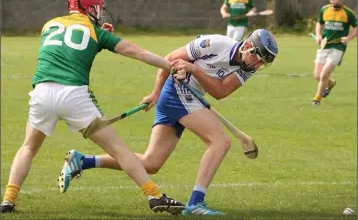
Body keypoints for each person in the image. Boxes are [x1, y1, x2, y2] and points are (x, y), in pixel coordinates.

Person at [0, 0, 186, 214]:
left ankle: (8, 200)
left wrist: (97, 34)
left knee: (28, 147)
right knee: (117, 148)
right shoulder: (97, 33)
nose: (100, 11)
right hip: (74, 96)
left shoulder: (49, 25)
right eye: (97, 7)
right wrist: (171, 66)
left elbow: (71, 44)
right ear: (89, 8)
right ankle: (154, 195)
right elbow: (137, 52)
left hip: (42, 92)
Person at [58, 29, 278, 215]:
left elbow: (220, 92)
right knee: (220, 142)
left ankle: (82, 161)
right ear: (247, 45)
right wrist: (155, 93)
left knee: (150, 164)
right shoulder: (215, 43)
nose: (257, 64)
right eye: (257, 57)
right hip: (176, 93)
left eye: (263, 62)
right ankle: (195, 203)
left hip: (190, 97)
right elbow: (170, 58)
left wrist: (194, 70)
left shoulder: (247, 70)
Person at [312, 0, 357, 105]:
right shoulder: (324, 10)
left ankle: (317, 99)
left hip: (338, 48)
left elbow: (356, 27)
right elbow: (319, 23)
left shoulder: (348, 13)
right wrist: (318, 35)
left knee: (324, 75)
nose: (336, 1)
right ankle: (331, 83)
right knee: (317, 76)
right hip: (324, 46)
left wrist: (348, 38)